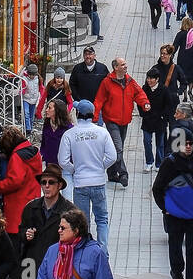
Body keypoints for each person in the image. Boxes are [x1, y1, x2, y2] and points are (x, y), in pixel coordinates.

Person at [151, 127, 193, 279]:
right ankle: (177, 275)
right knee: (176, 248)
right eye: (185, 143)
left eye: (191, 143)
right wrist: (165, 209)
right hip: (175, 215)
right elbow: (157, 188)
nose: (188, 146)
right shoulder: (169, 163)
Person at [57, 99, 115, 250]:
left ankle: (86, 251)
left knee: (83, 221)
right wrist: (100, 167)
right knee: (102, 219)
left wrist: (74, 169)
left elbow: (62, 160)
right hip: (98, 181)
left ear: (77, 114)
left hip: (81, 183)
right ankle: (103, 250)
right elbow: (112, 157)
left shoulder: (70, 134)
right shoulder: (102, 132)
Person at [0, 128, 44, 279]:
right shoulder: (33, 152)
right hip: (32, 204)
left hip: (17, 209)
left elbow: (14, 180)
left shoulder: (17, 156)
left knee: (16, 252)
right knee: (29, 253)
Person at [93, 58, 149, 188]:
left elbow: (139, 93)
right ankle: (123, 174)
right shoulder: (107, 82)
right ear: (115, 67)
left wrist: (145, 103)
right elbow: (99, 100)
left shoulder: (129, 80)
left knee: (116, 149)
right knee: (118, 148)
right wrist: (95, 117)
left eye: (125, 64)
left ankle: (112, 174)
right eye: (122, 64)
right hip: (111, 120)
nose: (126, 66)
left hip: (125, 120)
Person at [138, 69, 171, 169]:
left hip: (160, 121)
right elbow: (140, 102)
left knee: (160, 143)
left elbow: (168, 104)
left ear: (157, 79)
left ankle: (159, 163)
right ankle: (149, 161)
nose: (149, 80)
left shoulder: (164, 89)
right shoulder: (144, 89)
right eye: (148, 78)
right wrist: (143, 113)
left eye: (151, 78)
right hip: (147, 120)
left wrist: (164, 117)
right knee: (147, 141)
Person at [38, 98, 73, 169]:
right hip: (49, 164)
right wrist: (42, 156)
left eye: (49, 108)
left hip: (63, 167)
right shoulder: (47, 124)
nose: (46, 110)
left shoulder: (69, 128)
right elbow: (43, 143)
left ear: (57, 111)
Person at [172, 16, 193, 102]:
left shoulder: (180, 34)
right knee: (191, 76)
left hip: (182, 57)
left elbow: (175, 45)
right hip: (192, 57)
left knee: (183, 76)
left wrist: (172, 54)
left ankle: (184, 95)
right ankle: (190, 91)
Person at [18, 62, 44, 136]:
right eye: (30, 75)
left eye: (33, 75)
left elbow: (41, 88)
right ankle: (28, 129)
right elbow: (22, 87)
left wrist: (42, 97)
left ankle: (31, 128)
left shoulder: (38, 79)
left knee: (32, 115)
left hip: (34, 99)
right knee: (26, 113)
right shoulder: (24, 78)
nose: (32, 76)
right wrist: (21, 92)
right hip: (26, 98)